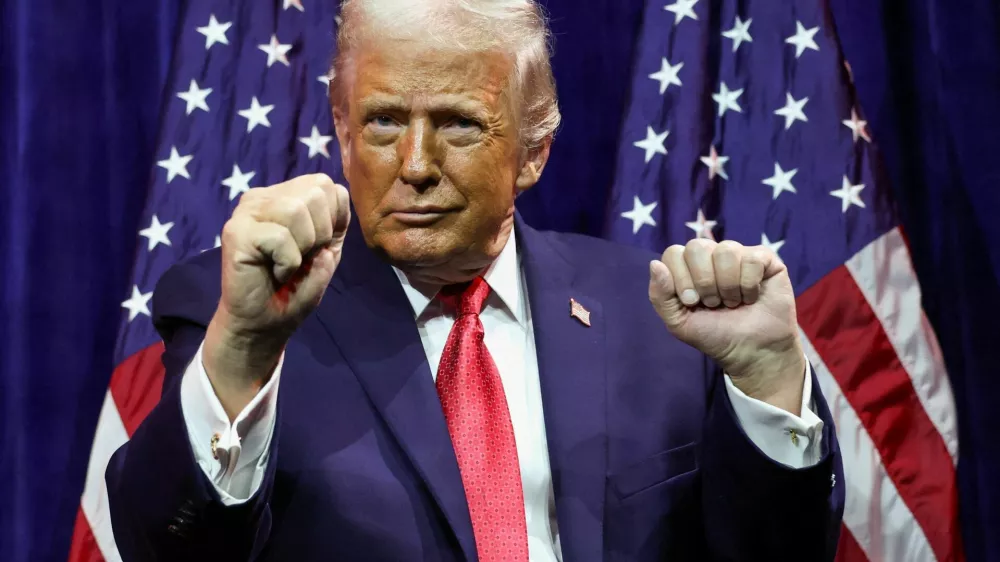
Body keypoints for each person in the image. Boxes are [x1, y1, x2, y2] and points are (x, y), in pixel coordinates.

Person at [106, 1, 845, 560]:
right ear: (341, 125)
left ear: (533, 151)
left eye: (459, 124)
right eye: (385, 122)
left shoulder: (657, 315)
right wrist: (240, 352)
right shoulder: (238, 313)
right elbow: (168, 548)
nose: (417, 164)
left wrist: (770, 380)